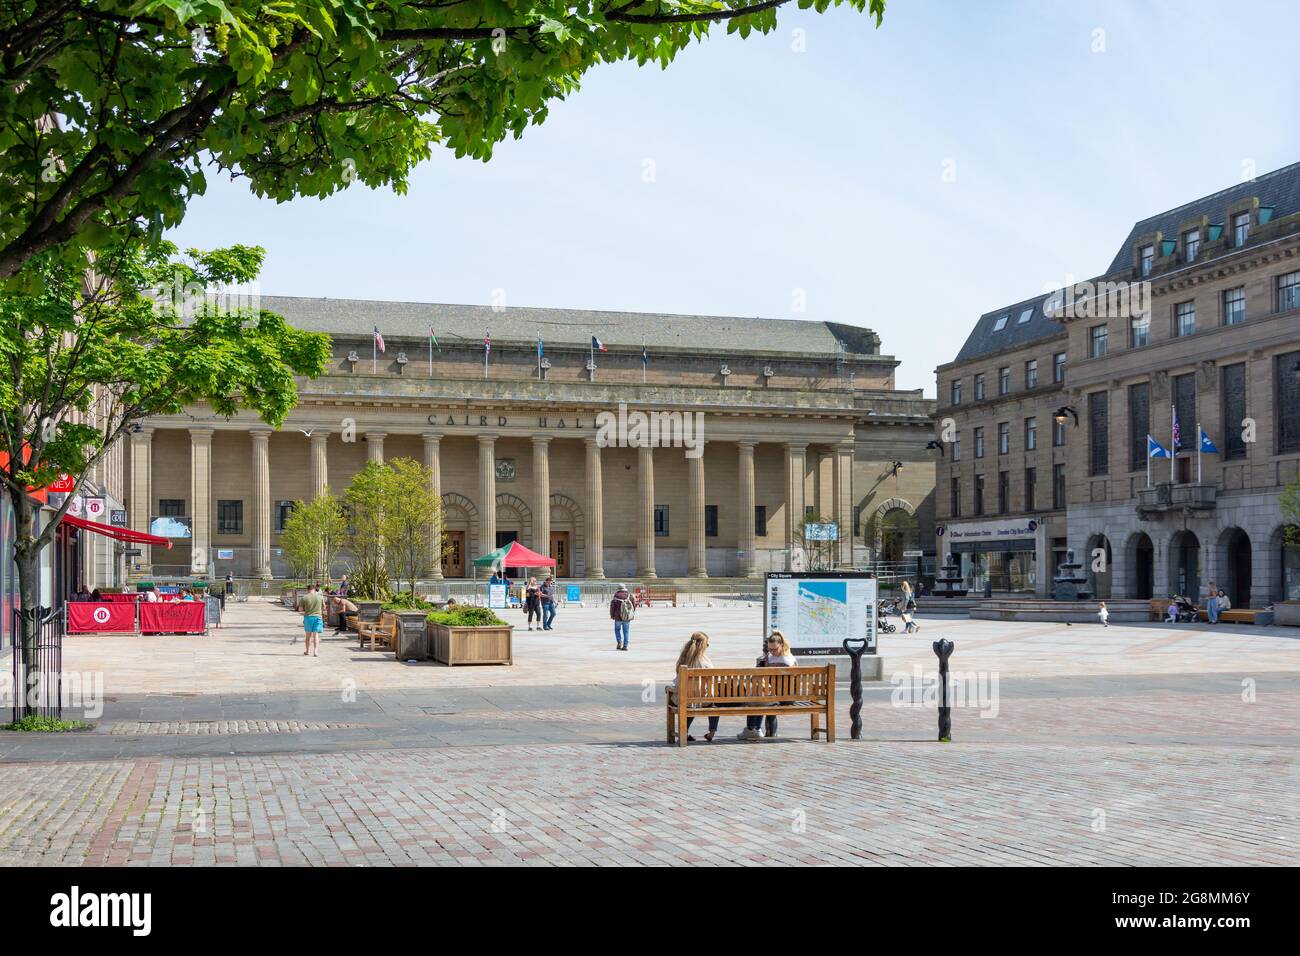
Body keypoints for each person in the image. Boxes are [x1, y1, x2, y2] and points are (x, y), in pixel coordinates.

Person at [739, 631, 796, 741]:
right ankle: (755, 729)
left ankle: (751, 729)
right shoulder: (790, 657)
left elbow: (756, 676)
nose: (772, 652)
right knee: (759, 695)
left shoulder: (783, 660)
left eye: (775, 649)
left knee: (755, 698)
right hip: (789, 696)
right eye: (770, 649)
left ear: (782, 645)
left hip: (784, 697)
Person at [672, 632, 719, 743]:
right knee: (714, 705)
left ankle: (684, 732)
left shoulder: (684, 660)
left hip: (683, 700)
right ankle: (711, 733)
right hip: (701, 700)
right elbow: (712, 680)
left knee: (690, 702)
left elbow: (677, 682)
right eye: (707, 644)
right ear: (703, 645)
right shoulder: (705, 662)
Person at [296, 583, 325, 656]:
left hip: (308, 618)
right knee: (316, 635)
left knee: (308, 636)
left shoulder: (304, 598)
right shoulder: (320, 597)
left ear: (308, 590)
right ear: (314, 589)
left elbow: (300, 609)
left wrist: (307, 610)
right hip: (318, 617)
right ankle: (315, 652)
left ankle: (307, 651)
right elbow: (324, 607)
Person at [610, 583, 634, 651]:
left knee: (617, 630)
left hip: (618, 617)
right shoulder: (629, 595)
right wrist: (631, 614)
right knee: (626, 631)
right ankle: (625, 646)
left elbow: (612, 607)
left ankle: (619, 641)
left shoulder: (616, 596)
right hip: (627, 617)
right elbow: (633, 606)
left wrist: (612, 615)